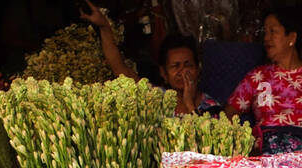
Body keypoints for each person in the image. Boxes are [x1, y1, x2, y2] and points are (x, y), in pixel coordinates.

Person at [224, 8, 302, 155]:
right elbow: (228, 113)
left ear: (291, 38)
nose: (266, 38)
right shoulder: (257, 77)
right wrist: (243, 143)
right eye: (265, 32)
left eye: (273, 31)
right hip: (266, 159)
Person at [82, 3, 219, 114]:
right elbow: (119, 68)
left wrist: (189, 103)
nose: (182, 72)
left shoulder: (212, 106)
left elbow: (208, 144)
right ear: (163, 73)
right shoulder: (157, 97)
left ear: (198, 69)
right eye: (175, 66)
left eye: (188, 65)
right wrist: (104, 26)